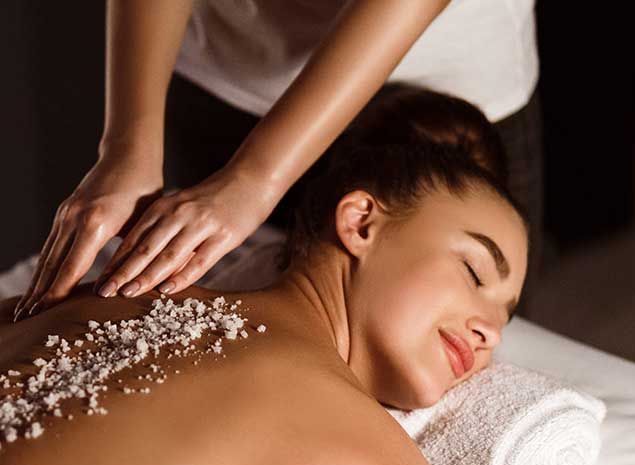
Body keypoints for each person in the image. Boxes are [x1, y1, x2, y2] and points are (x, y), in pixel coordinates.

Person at [0, 84, 528, 465]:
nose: (489, 329)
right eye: (474, 273)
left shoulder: (106, 294)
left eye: (506, 317)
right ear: (361, 223)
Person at [12, 0, 541, 326]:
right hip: (228, 68)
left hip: (443, 82)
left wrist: (257, 177)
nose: (488, 333)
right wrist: (127, 149)